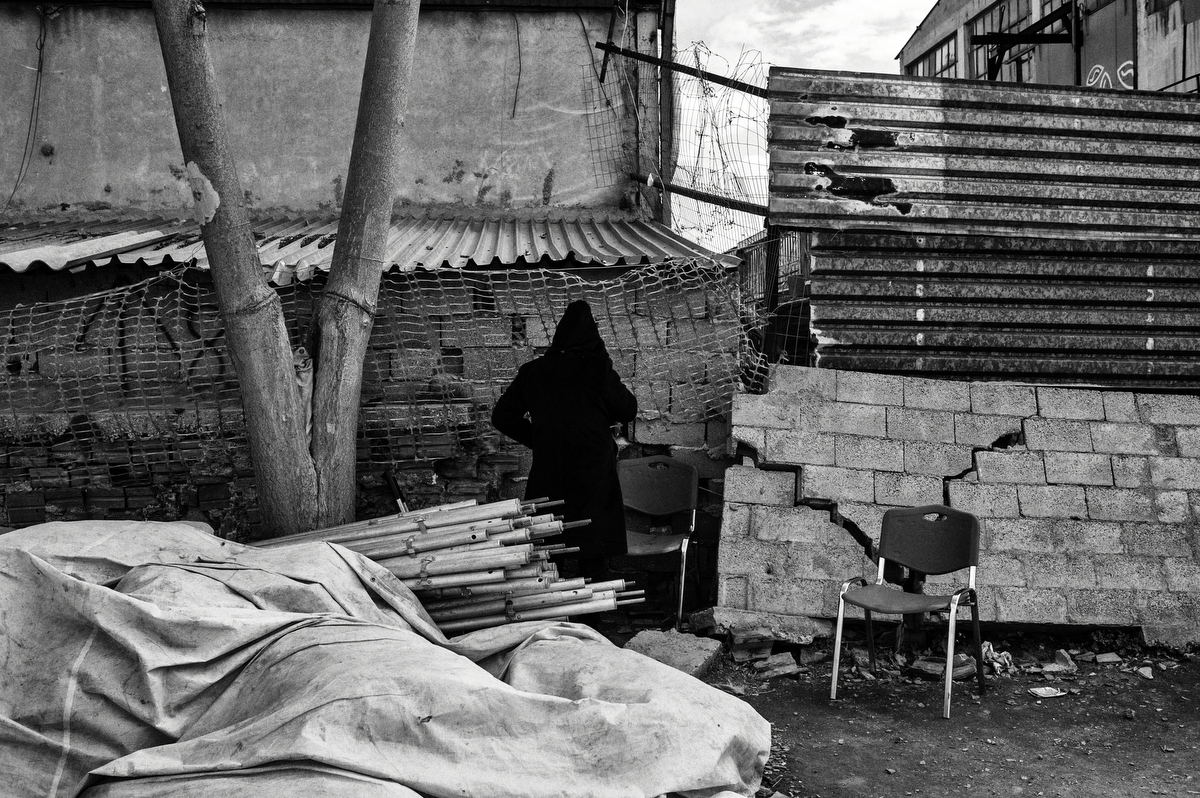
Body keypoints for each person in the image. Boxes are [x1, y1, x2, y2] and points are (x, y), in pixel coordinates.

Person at [491, 300, 637, 582]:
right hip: (592, 473)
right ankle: (592, 621)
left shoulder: (533, 372)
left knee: (549, 543)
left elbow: (502, 416)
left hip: (550, 469)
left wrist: (540, 438)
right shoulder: (597, 370)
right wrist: (604, 364)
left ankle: (553, 616)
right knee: (593, 549)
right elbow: (628, 409)